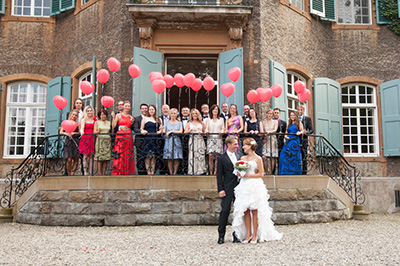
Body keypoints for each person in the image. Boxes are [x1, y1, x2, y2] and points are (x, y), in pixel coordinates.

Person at [232, 138, 283, 243]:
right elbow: (239, 171)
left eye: (244, 145)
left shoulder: (258, 158)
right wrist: (239, 173)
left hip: (254, 184)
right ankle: (248, 235)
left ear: (250, 146)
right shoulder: (242, 158)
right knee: (245, 210)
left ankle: (255, 235)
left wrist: (248, 175)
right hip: (244, 185)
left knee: (254, 210)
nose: (242, 147)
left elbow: (261, 174)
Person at [216, 136, 241, 244]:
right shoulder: (222, 158)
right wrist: (220, 189)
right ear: (229, 145)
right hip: (227, 187)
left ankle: (236, 235)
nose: (237, 146)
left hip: (239, 187)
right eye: (235, 144)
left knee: (238, 211)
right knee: (225, 211)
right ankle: (221, 235)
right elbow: (219, 175)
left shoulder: (240, 156)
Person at [112, 101, 135, 175]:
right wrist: (119, 127)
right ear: (123, 106)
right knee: (120, 152)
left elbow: (132, 127)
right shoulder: (118, 115)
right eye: (126, 106)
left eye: (129, 106)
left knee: (127, 153)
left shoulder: (131, 117)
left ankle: (127, 171)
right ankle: (119, 171)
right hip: (120, 136)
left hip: (128, 136)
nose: (127, 107)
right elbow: (113, 126)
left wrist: (132, 121)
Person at [278, 111, 304, 175]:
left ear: (296, 116)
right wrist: (285, 136)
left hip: (295, 141)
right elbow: (286, 132)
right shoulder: (289, 124)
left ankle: (294, 171)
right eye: (291, 115)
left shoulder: (299, 123)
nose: (292, 116)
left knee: (294, 155)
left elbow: (303, 130)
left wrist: (299, 132)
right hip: (288, 141)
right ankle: (285, 171)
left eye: (293, 115)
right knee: (283, 154)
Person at [141, 104, 163, 175]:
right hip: (147, 138)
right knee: (147, 156)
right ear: (148, 110)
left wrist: (160, 130)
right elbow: (141, 128)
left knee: (154, 156)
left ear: (155, 110)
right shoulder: (145, 118)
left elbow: (162, 128)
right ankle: (148, 172)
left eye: (153, 109)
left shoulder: (159, 119)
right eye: (150, 109)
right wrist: (143, 131)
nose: (151, 111)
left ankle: (152, 172)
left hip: (155, 138)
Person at [184, 108, 206, 175]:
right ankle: (192, 170)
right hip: (192, 140)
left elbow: (205, 133)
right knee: (192, 155)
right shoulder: (189, 123)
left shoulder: (201, 123)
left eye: (196, 113)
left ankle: (200, 170)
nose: (194, 115)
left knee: (200, 154)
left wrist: (201, 133)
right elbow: (185, 132)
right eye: (193, 113)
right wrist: (190, 129)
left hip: (200, 140)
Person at [205, 104, 225, 175]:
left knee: (217, 157)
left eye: (216, 109)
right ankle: (210, 172)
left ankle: (215, 172)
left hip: (218, 139)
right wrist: (206, 131)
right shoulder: (208, 119)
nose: (215, 111)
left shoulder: (221, 119)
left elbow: (223, 128)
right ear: (211, 111)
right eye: (214, 109)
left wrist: (222, 132)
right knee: (210, 156)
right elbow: (206, 128)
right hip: (210, 139)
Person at [163, 108, 183, 175]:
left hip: (176, 141)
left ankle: (175, 172)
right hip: (169, 141)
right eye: (172, 113)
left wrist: (171, 131)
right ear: (170, 114)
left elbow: (180, 131)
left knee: (176, 157)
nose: (173, 115)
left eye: (174, 113)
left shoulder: (179, 123)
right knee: (169, 158)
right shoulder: (166, 122)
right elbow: (164, 130)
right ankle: (171, 172)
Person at [60, 109, 80, 176]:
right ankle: (69, 174)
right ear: (70, 115)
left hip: (75, 141)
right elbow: (61, 132)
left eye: (75, 115)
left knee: (76, 159)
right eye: (73, 114)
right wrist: (67, 134)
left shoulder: (77, 123)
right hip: (68, 141)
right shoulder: (66, 122)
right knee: (69, 159)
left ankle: (72, 174)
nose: (74, 116)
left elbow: (79, 132)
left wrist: (74, 133)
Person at [79, 106, 96, 175]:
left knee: (91, 156)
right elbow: (82, 128)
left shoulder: (94, 120)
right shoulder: (84, 120)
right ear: (86, 112)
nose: (89, 112)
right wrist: (82, 131)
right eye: (88, 111)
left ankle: (91, 171)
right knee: (85, 156)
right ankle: (85, 171)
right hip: (85, 138)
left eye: (90, 111)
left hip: (92, 138)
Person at [297, 104, 314, 175]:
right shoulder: (295, 118)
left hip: (304, 140)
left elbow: (311, 130)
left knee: (304, 155)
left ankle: (304, 171)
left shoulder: (307, 119)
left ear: (303, 110)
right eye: (298, 109)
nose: (300, 111)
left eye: (301, 110)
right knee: (296, 155)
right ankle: (297, 170)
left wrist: (306, 132)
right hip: (296, 139)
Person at [94, 109, 112, 176]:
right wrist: (98, 131)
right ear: (99, 115)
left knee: (106, 158)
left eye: (104, 114)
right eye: (101, 114)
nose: (103, 116)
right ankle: (100, 173)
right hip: (100, 140)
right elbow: (94, 132)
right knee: (99, 158)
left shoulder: (108, 122)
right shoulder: (97, 122)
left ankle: (104, 173)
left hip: (107, 141)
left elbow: (111, 130)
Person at [133, 103, 149, 175]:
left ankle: (148, 172)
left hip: (148, 141)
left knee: (148, 157)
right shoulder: (137, 119)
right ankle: (140, 173)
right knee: (139, 157)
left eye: (146, 108)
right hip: (139, 140)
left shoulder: (150, 118)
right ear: (140, 110)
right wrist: (141, 131)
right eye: (143, 109)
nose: (144, 110)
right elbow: (135, 128)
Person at [262, 109, 278, 174]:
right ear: (266, 114)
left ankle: (271, 172)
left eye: (271, 114)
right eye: (268, 113)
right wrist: (264, 133)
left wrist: (268, 132)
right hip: (266, 139)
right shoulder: (263, 122)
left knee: (272, 157)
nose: (269, 115)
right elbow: (262, 130)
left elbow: (275, 129)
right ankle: (266, 171)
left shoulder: (275, 122)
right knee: (264, 157)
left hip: (272, 139)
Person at [180, 106, 191, 175]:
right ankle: (181, 170)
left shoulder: (192, 121)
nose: (185, 112)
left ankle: (188, 170)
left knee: (188, 155)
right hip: (180, 140)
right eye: (183, 110)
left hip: (189, 139)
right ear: (181, 112)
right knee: (181, 155)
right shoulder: (178, 120)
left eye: (186, 110)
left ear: (189, 112)